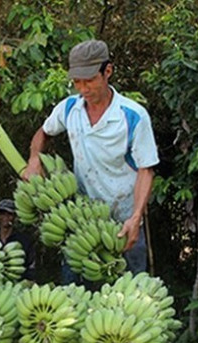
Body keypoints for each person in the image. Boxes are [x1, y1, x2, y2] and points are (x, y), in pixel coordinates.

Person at [22, 39, 159, 279]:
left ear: (108, 71)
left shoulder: (133, 116)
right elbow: (43, 132)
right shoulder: (69, 109)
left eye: (90, 80)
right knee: (74, 292)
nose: (83, 89)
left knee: (131, 292)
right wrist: (34, 158)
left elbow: (146, 170)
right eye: (77, 82)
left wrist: (136, 216)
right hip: (80, 219)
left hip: (123, 220)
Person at [0, 199, 37, 281]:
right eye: (2, 214)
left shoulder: (23, 240)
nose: (6, 217)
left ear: (14, 217)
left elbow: (31, 265)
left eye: (9, 214)